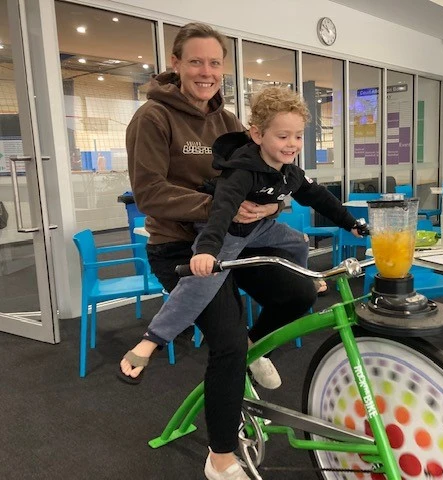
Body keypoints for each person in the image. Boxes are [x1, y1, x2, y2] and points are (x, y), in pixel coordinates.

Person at [123, 23, 317, 480]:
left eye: (214, 62)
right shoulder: (152, 118)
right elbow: (148, 193)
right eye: (195, 61)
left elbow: (266, 173)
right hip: (178, 246)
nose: (206, 72)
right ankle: (221, 457)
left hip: (237, 238)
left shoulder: (228, 122)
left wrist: (272, 203)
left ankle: (252, 345)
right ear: (176, 63)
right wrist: (219, 206)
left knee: (299, 293)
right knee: (226, 344)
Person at [119, 87, 360, 390]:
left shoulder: (290, 172)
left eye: (298, 136)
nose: (292, 144)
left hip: (257, 228)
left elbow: (320, 198)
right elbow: (220, 213)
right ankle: (151, 340)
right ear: (258, 135)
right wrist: (207, 250)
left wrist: (351, 223)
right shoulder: (241, 172)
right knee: (203, 281)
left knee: (298, 241)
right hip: (226, 230)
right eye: (283, 136)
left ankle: (304, 282)